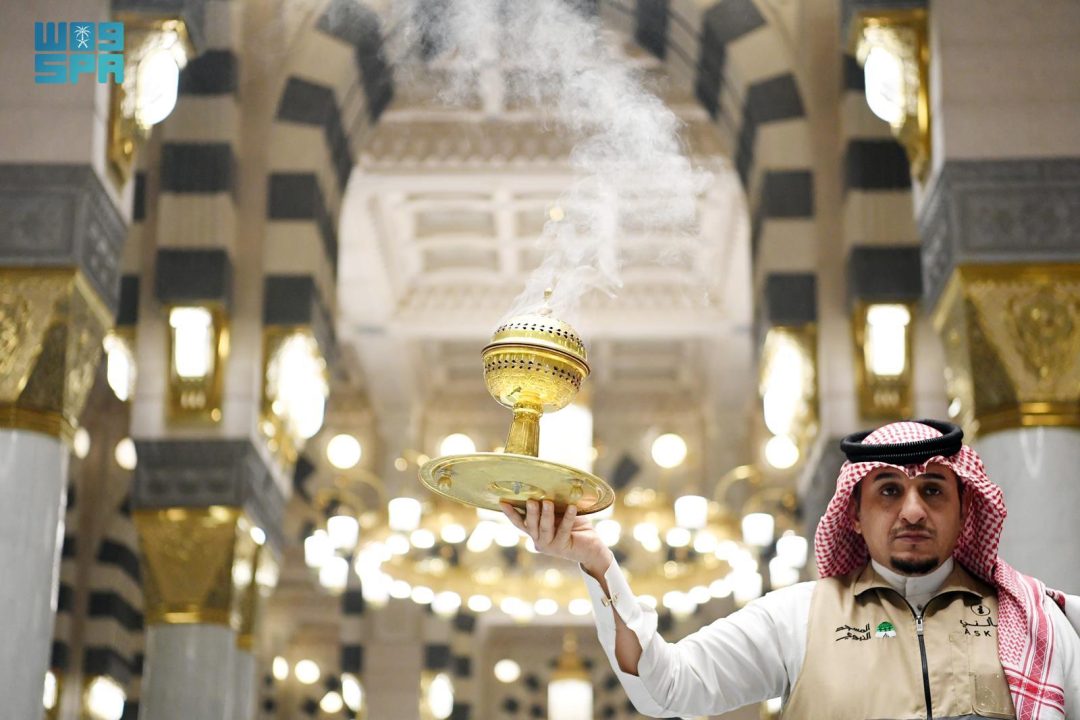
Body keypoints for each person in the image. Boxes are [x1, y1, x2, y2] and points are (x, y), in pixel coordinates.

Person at [501, 419, 1080, 719]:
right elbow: (666, 686)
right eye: (887, 491)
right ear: (852, 513)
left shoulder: (1033, 623)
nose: (911, 510)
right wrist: (600, 566)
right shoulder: (800, 616)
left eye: (933, 490)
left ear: (965, 509)